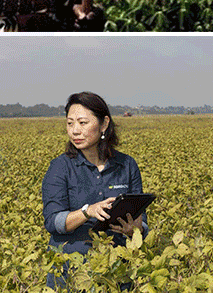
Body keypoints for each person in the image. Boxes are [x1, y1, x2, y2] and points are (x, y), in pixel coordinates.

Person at [42, 92, 149, 289]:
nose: (75, 131)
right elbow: (52, 221)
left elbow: (142, 223)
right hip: (71, 271)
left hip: (117, 270)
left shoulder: (126, 165)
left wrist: (135, 230)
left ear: (104, 123)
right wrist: (87, 211)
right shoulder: (60, 167)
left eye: (83, 123)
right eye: (70, 123)